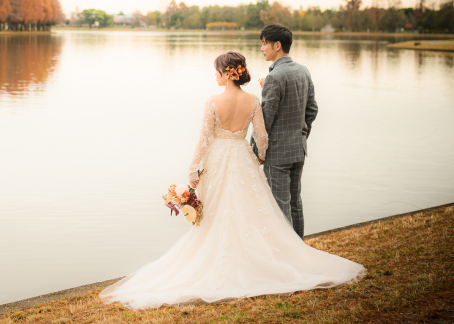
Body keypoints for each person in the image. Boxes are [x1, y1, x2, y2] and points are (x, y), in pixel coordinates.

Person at [100, 51, 364, 309]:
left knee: (216, 214)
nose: (214, 75)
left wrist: (193, 170)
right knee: (250, 213)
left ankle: (222, 264)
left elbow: (203, 140)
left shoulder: (213, 102)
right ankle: (256, 260)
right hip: (242, 158)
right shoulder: (253, 101)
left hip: (217, 162)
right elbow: (262, 137)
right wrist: (259, 158)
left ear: (227, 74)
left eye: (217, 71)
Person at [252, 24, 315, 239]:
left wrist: (256, 150)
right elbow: (312, 109)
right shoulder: (303, 70)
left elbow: (265, 120)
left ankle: (289, 256)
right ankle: (300, 249)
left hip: (278, 153)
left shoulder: (274, 77)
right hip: (299, 148)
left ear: (277, 45)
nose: (261, 48)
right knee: (295, 201)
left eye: (264, 43)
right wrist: (301, 133)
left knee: (280, 205)